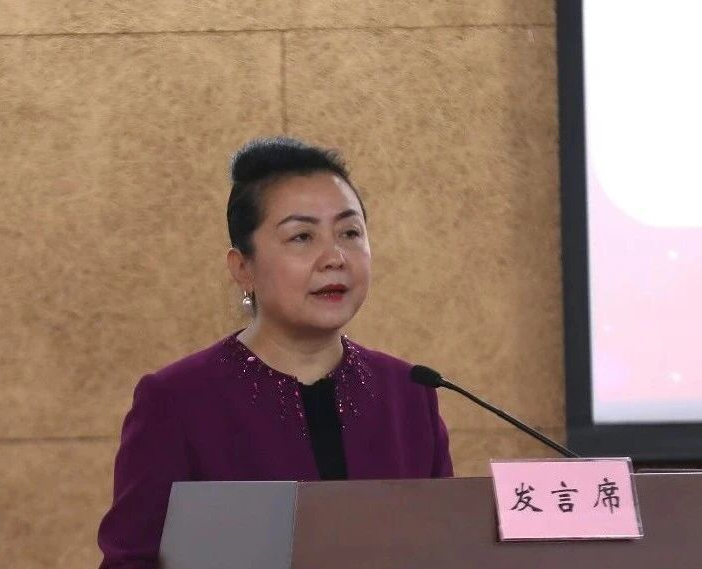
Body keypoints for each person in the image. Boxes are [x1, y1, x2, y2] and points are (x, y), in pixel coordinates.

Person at [97, 137, 453, 568]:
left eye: (350, 232)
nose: (334, 257)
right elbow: (131, 560)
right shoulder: (177, 400)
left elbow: (446, 547)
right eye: (302, 236)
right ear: (243, 267)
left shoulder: (410, 393)